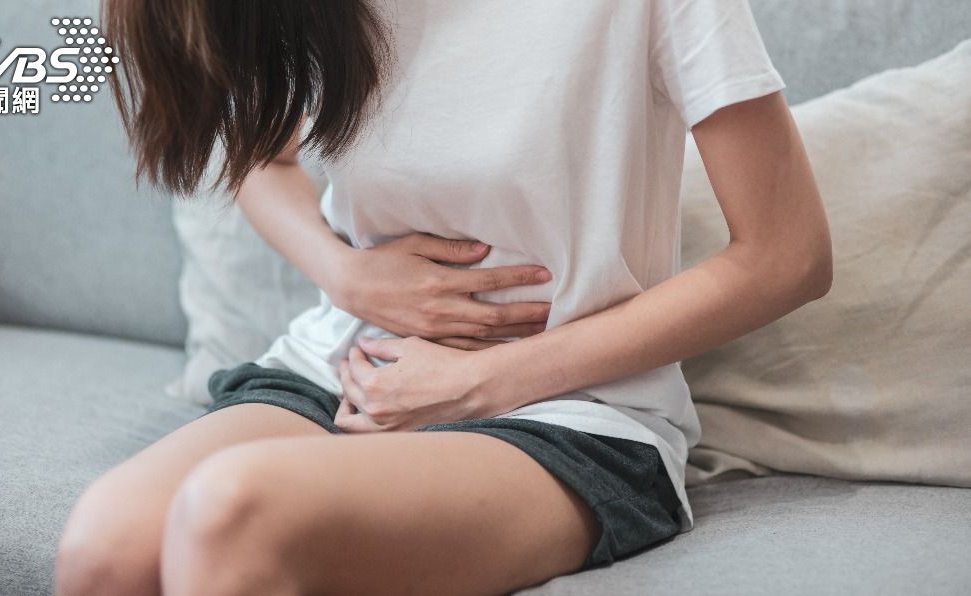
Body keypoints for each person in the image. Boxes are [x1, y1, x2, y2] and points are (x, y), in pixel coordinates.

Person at [54, 0, 832, 594]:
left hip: (574, 414)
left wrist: (481, 380)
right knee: (104, 546)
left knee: (229, 513)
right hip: (350, 368)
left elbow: (787, 255)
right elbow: (260, 156)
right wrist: (347, 272)